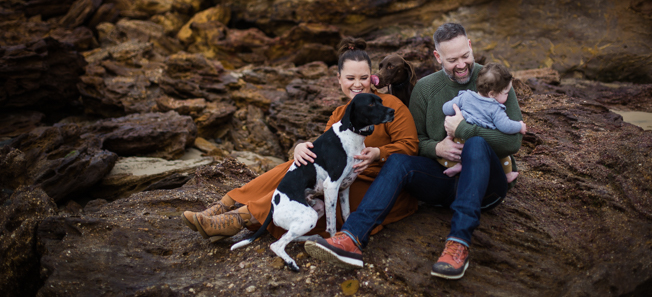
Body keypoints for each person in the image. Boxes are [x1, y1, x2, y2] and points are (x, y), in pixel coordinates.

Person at [305, 23, 523, 280]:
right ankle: (352, 237)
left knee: (475, 143)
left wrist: (464, 129)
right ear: (437, 57)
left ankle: (458, 244)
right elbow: (415, 141)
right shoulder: (425, 89)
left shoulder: (494, 78)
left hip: (487, 185)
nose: (462, 65)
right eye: (452, 60)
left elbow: (513, 144)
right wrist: (438, 146)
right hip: (443, 183)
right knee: (398, 161)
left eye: (465, 56)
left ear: (471, 46)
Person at [181, 37, 419, 242]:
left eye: (363, 77)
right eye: (350, 78)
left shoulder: (390, 105)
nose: (357, 84)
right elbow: (326, 156)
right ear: (339, 80)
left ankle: (237, 219)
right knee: (296, 165)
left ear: (372, 78)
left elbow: (410, 147)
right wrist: (300, 148)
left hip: (378, 185)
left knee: (309, 188)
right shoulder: (340, 114)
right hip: (342, 179)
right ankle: (223, 205)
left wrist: (378, 153)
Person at [440, 62, 526, 183]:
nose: (508, 96)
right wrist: (519, 126)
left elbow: (446, 108)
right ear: (492, 94)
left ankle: (459, 165)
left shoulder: (466, 96)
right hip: (480, 145)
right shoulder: (495, 109)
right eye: (506, 93)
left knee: (464, 151)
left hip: (459, 140)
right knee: (503, 155)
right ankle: (506, 174)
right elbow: (505, 126)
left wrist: (454, 109)